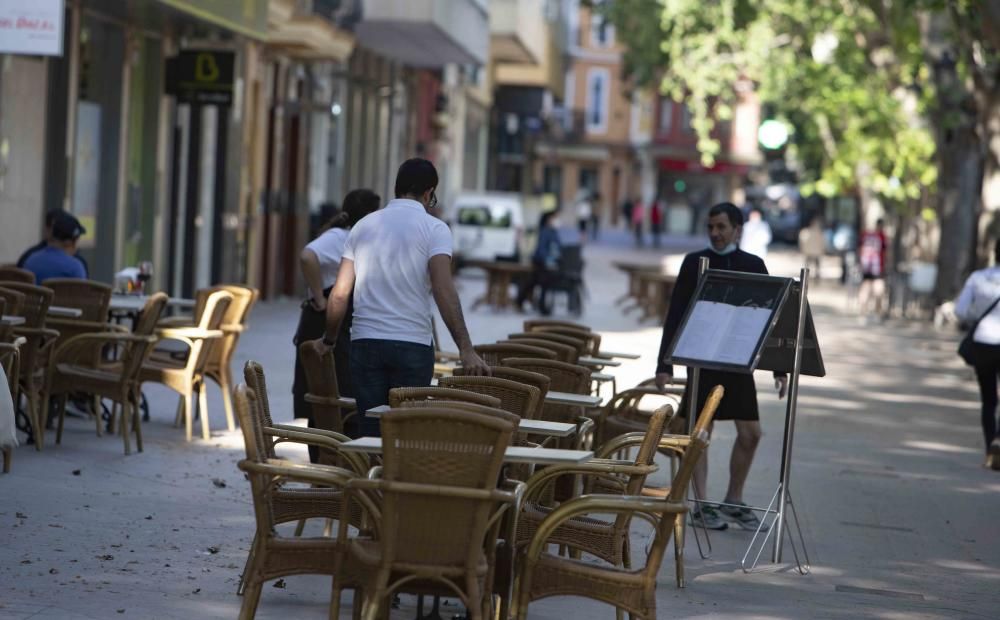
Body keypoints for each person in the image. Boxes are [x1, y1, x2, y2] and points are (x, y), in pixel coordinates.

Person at [322, 158, 490, 437]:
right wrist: (466, 349)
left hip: (365, 343)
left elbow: (339, 294)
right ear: (429, 193)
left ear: (396, 188)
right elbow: (443, 289)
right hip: (412, 345)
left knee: (370, 434)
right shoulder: (435, 229)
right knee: (406, 433)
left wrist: (328, 339)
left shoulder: (362, 226)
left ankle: (371, 479)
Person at [655, 202, 788, 530]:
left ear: (737, 229)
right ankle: (700, 504)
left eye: (721, 227)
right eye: (711, 227)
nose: (715, 233)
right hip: (701, 360)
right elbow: (675, 314)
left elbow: (769, 320)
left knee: (751, 433)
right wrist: (664, 365)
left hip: (738, 363)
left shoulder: (754, 264)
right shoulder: (693, 263)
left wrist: (779, 368)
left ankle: (734, 499)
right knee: (700, 433)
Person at [292, 189, 380, 458]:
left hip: (335, 321)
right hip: (323, 320)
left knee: (334, 391)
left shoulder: (353, 237)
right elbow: (307, 256)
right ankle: (326, 460)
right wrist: (319, 296)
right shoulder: (340, 237)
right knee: (327, 393)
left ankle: (330, 459)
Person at [955, 239, 1000, 470]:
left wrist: (977, 314)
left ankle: (990, 451)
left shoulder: (978, 278)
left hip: (983, 341)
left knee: (989, 400)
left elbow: (960, 310)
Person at [17, 209, 89, 277]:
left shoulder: (30, 260)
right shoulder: (76, 267)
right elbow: (82, 289)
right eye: (76, 241)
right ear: (68, 242)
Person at [517, 211, 562, 315]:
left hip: (549, 263)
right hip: (541, 263)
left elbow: (557, 246)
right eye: (554, 218)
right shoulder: (545, 231)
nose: (556, 220)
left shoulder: (553, 231)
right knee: (538, 282)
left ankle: (523, 301)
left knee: (536, 282)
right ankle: (533, 304)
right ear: (548, 219)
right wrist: (548, 260)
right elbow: (542, 249)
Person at [858, 218, 889, 318]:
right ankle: (877, 312)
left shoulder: (867, 235)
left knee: (865, 288)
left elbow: (860, 249)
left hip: (866, 266)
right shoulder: (882, 236)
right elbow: (886, 251)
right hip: (877, 267)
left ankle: (862, 312)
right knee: (879, 289)